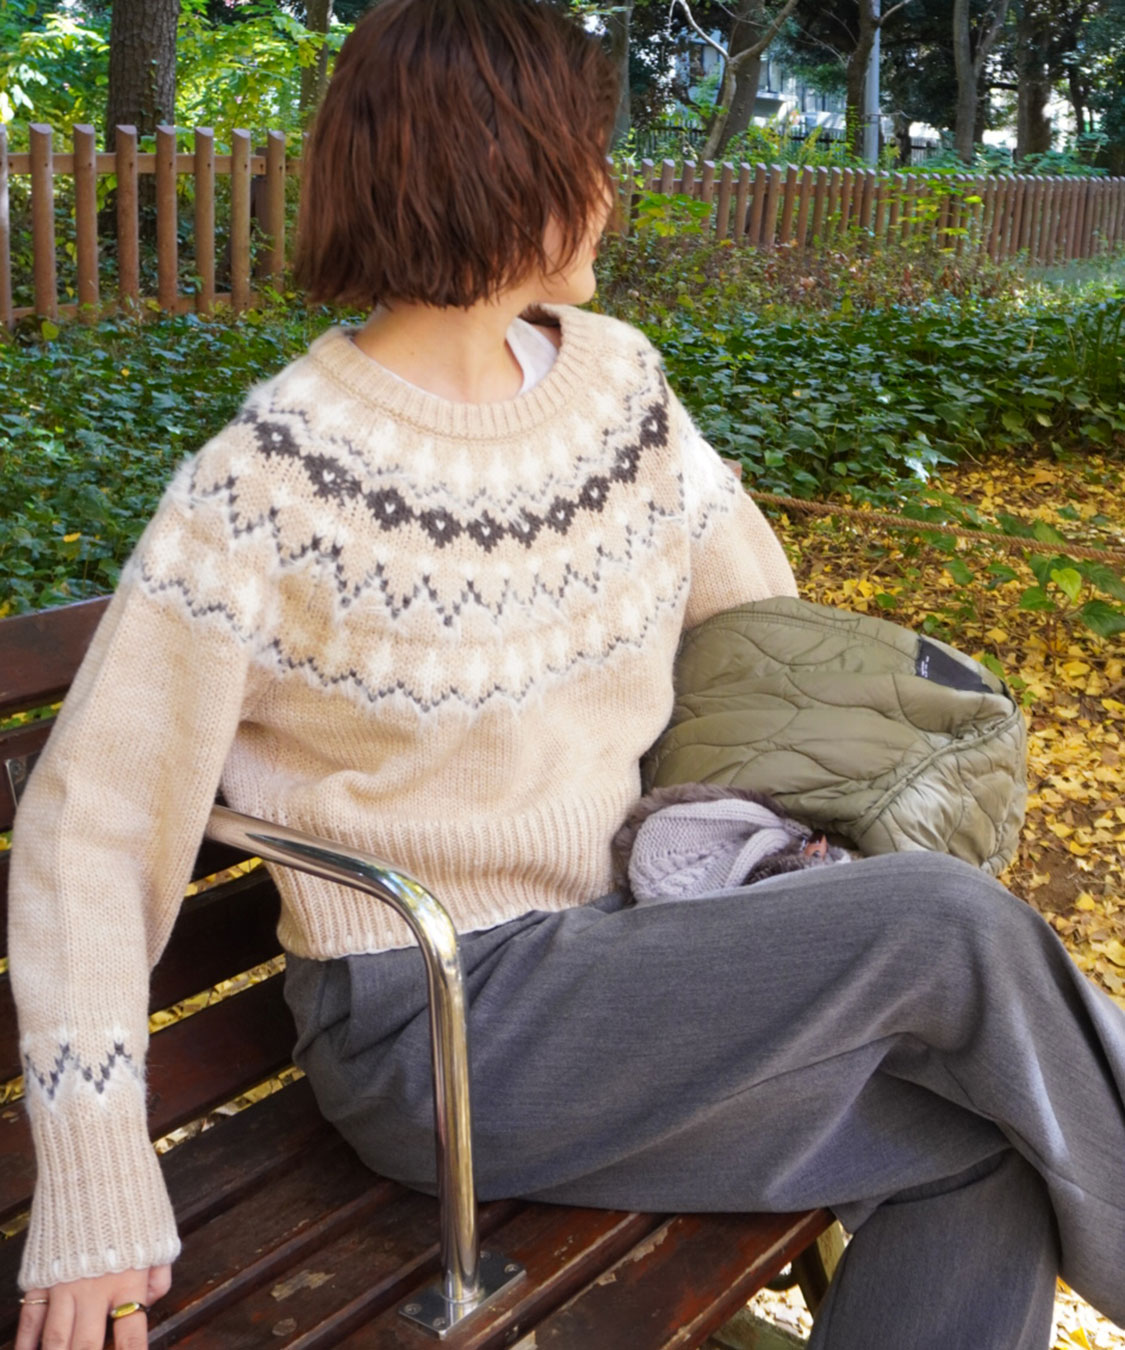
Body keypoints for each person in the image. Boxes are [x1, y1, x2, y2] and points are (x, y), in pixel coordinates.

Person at [9, 2, 1125, 1347]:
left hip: (637, 958)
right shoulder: (269, 490)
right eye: (587, 156)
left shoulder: (614, 389)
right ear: (503, 171)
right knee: (944, 926)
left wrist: (775, 839)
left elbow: (753, 625)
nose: (609, 190)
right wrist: (95, 1176)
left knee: (981, 1153)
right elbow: (94, 825)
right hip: (437, 1026)